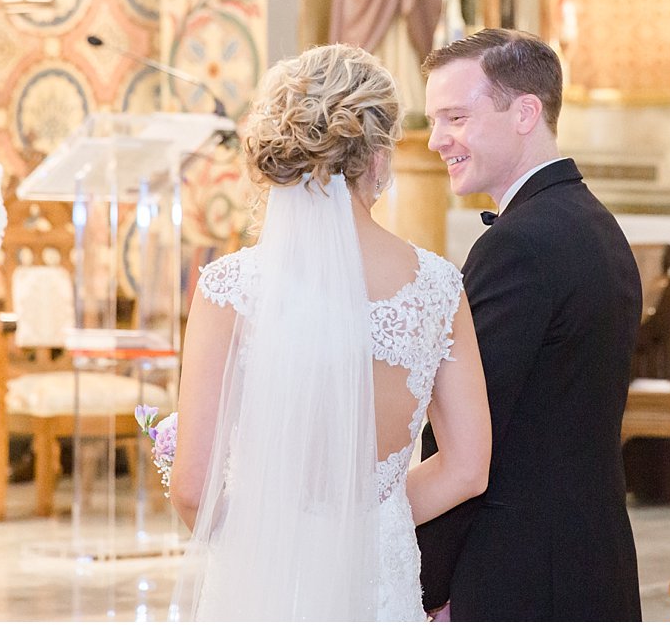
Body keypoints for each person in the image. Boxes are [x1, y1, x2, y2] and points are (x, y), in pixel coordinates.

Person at [170, 44, 491, 620]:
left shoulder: (228, 289)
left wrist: (279, 540)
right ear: (378, 159)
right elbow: (468, 469)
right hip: (377, 579)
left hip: (264, 587)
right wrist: (367, 519)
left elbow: (193, 489)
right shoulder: (440, 287)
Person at [417, 29, 643, 620]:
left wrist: (427, 584)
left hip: (516, 576)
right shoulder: (594, 223)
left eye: (456, 117)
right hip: (591, 561)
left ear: (525, 112)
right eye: (435, 121)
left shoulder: (520, 245)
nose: (438, 140)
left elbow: (469, 437)